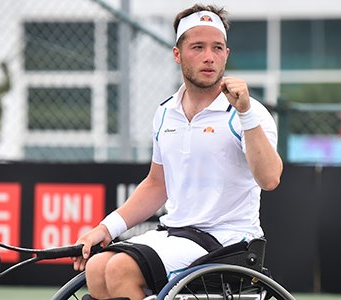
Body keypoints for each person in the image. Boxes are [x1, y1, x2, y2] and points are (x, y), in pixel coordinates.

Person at [72, 4, 283, 300]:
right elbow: (157, 184)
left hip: (229, 242)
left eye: (217, 48)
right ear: (177, 54)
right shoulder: (164, 113)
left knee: (119, 269)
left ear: (226, 54)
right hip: (175, 233)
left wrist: (245, 112)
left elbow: (270, 179)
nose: (209, 56)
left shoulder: (249, 113)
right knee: (96, 268)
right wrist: (106, 228)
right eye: (198, 47)